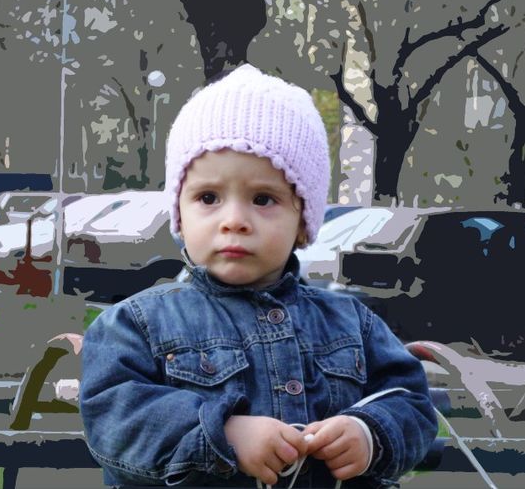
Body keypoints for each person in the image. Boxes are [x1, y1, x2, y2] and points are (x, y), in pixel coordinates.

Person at [80, 64, 437, 488]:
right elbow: (114, 417)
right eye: (208, 197)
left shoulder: (352, 323)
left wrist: (369, 432)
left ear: (302, 222)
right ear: (180, 212)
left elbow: (412, 403)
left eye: (263, 199)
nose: (234, 220)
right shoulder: (136, 325)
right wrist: (222, 433)